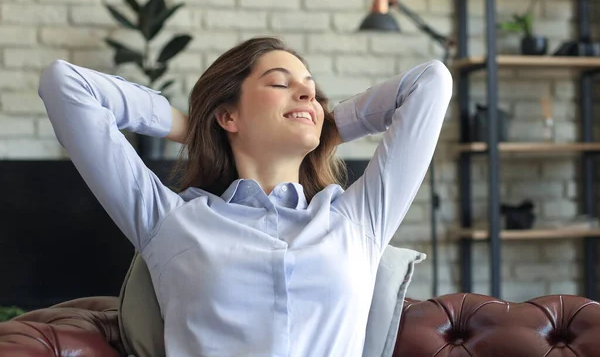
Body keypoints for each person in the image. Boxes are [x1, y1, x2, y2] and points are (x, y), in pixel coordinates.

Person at [38, 36, 452, 357]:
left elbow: (431, 82)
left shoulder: (358, 219)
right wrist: (194, 127)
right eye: (279, 83)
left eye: (311, 89)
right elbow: (65, 85)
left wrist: (324, 124)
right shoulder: (171, 221)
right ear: (228, 115)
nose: (308, 94)